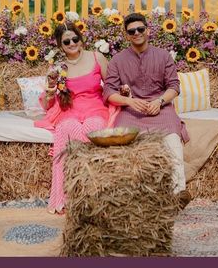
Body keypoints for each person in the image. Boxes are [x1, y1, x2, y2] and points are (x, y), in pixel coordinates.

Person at [102, 12, 192, 208]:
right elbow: (108, 92)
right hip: (131, 111)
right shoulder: (117, 60)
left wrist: (159, 102)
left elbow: (174, 87)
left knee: (172, 138)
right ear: (126, 35)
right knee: (120, 141)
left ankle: (178, 193)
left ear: (148, 31)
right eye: (131, 31)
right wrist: (129, 102)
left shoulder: (163, 55)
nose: (136, 33)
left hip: (161, 108)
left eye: (140, 29)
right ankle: (124, 195)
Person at [35, 22, 118, 215]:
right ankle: (64, 198)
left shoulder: (97, 57)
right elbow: (49, 102)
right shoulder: (58, 67)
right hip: (70, 110)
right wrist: (49, 92)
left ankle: (94, 193)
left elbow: (110, 85)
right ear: (60, 45)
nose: (72, 43)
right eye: (67, 41)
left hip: (96, 107)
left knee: (94, 127)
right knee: (65, 130)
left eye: (75, 38)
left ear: (81, 39)